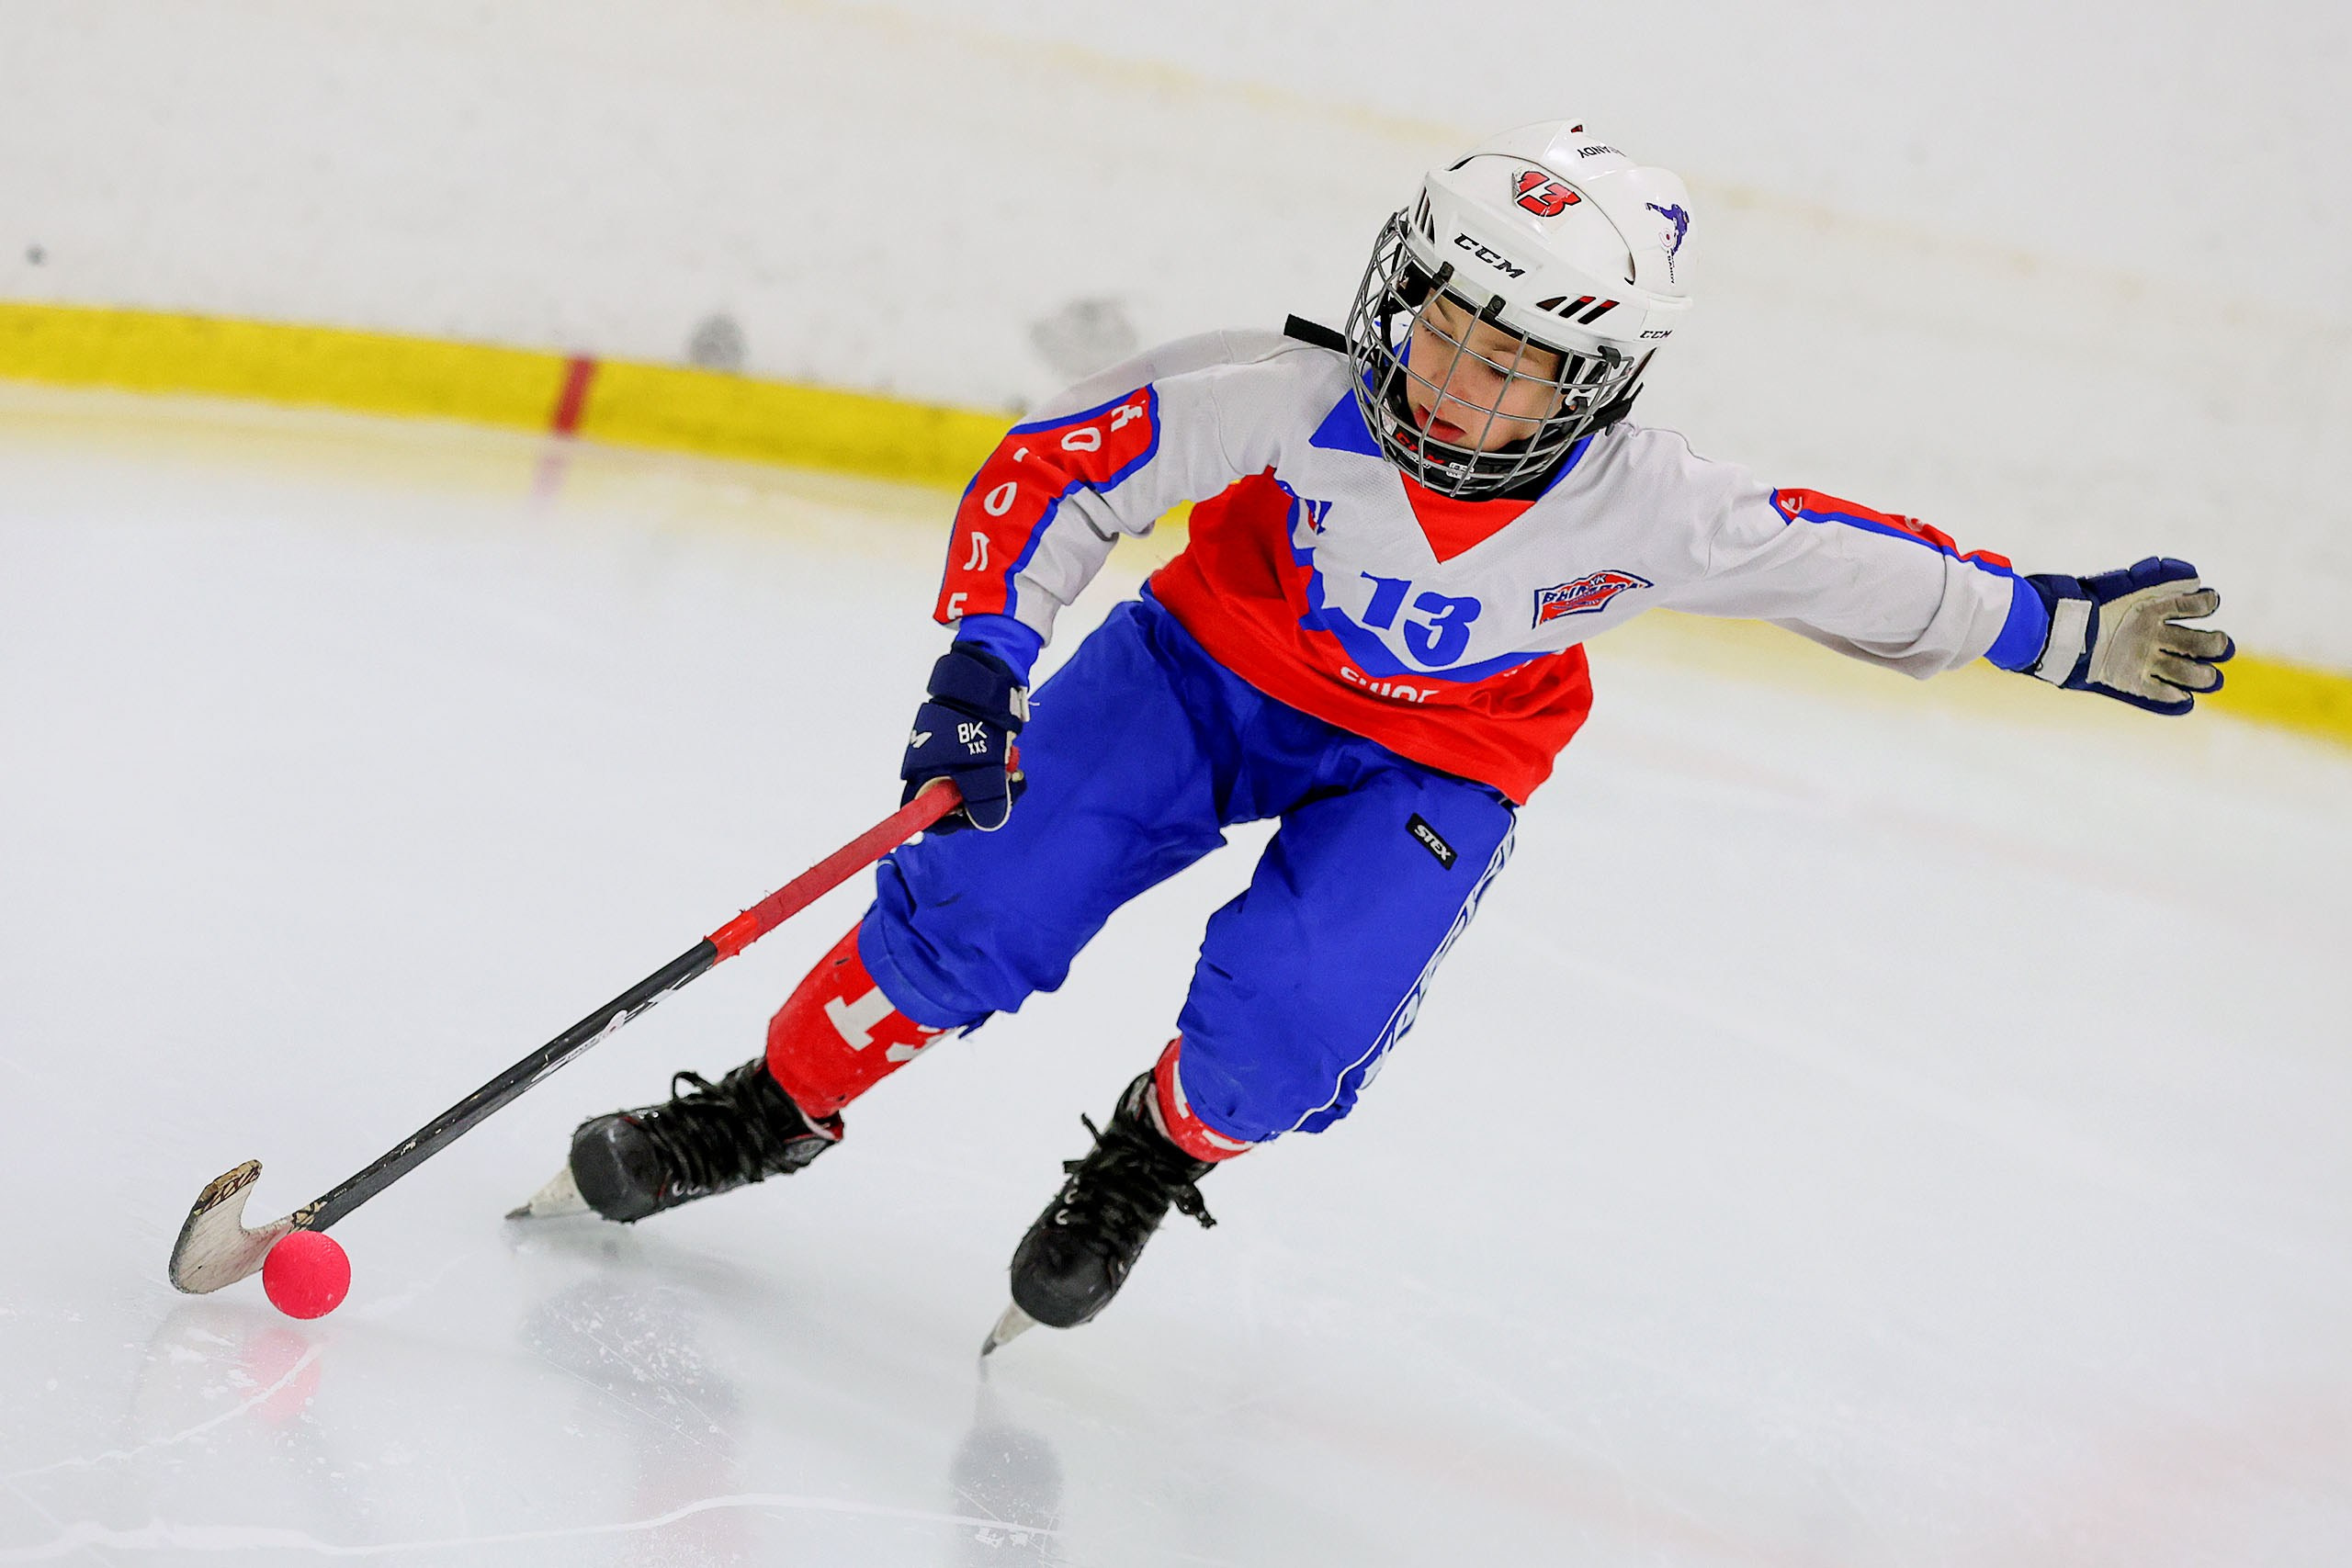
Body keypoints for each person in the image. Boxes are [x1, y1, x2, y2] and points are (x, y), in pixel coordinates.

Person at [539, 122, 2233, 1346]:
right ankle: (772, 1109)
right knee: (982, 899)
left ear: (1599, 386)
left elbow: (1860, 567)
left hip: (1437, 763)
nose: (1455, 390)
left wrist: (2069, 630)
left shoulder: (1661, 509)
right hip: (1205, 680)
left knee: (1291, 1028)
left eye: (1516, 372)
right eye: (1444, 332)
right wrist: (981, 668)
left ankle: (1156, 1149)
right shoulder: (1293, 392)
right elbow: (1062, 466)